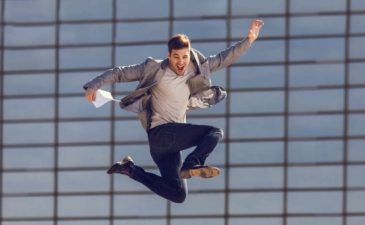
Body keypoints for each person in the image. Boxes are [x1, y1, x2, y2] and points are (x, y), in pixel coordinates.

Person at [84, 19, 264, 203]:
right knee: (215, 132)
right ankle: (192, 163)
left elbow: (225, 57)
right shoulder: (153, 68)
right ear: (169, 55)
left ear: (189, 54)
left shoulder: (197, 68)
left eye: (184, 57)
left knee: (178, 194)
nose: (181, 62)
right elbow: (119, 72)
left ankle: (130, 169)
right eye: (176, 57)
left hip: (167, 147)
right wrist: (93, 85)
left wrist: (248, 40)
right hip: (160, 134)